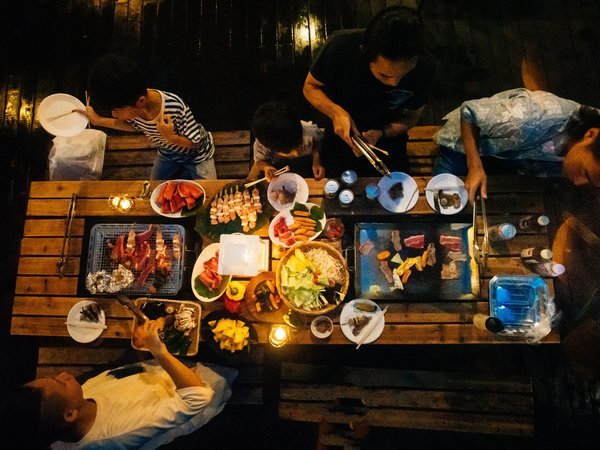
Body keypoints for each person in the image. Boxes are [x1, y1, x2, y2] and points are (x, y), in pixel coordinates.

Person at [0, 321, 236, 450]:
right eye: (58, 383)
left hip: (152, 377)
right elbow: (197, 397)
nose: (63, 374)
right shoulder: (121, 431)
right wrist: (159, 351)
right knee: (219, 378)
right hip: (189, 392)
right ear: (69, 414)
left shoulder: (62, 421)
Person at [303, 6, 436, 177]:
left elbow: (411, 117)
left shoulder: (425, 67)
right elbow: (310, 87)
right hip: (340, 127)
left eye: (405, 74)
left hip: (388, 134)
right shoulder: (342, 47)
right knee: (335, 184)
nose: (394, 83)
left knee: (395, 189)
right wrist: (336, 112)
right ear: (365, 54)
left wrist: (382, 133)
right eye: (384, 75)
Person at [433, 88, 600, 203]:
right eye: (584, 172)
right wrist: (475, 167)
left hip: (511, 163)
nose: (578, 182)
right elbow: (468, 112)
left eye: (589, 181)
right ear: (591, 135)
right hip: (467, 146)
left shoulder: (589, 151)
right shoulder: (530, 117)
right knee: (445, 204)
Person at [81, 54, 216, 180]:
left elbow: (195, 143)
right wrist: (97, 120)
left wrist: (171, 137)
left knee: (209, 194)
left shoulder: (174, 106)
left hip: (197, 155)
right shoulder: (133, 106)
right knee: (153, 193)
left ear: (140, 101)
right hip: (168, 154)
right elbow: (133, 127)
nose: (114, 115)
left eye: (117, 111)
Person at [249, 101, 325, 182]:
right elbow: (260, 160)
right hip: (277, 167)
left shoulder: (309, 131)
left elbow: (317, 142)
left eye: (298, 144)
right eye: (288, 151)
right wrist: (266, 167)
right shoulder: (262, 144)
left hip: (305, 163)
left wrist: (316, 160)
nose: (296, 153)